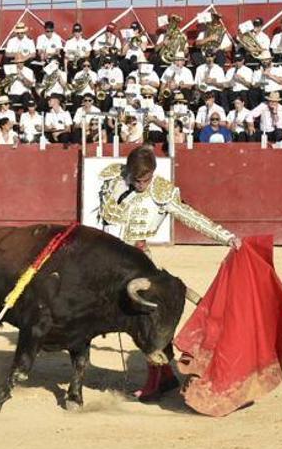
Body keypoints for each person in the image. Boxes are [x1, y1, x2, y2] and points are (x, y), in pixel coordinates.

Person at [96, 146, 240, 400]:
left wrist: (226, 237)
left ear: (153, 173)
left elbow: (192, 217)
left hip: (140, 265)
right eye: (136, 179)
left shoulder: (162, 192)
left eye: (145, 179)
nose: (140, 184)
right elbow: (103, 221)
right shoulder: (113, 180)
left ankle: (157, 379)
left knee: (144, 322)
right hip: (108, 261)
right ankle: (166, 376)